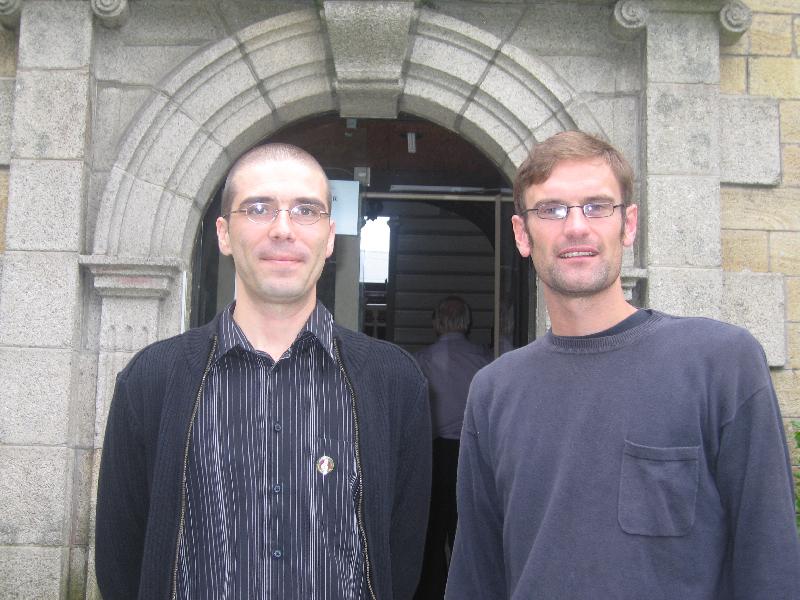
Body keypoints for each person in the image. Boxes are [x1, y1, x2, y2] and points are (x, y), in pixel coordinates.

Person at [445, 131, 800, 599]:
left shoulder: (721, 364)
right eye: (551, 209)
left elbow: (769, 562)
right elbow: (477, 577)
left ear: (628, 225)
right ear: (521, 234)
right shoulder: (494, 391)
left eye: (597, 206)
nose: (575, 227)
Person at [95, 143, 431, 599]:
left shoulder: (394, 382)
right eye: (258, 209)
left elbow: (403, 558)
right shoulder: (152, 378)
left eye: (305, 210)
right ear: (224, 234)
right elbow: (121, 558)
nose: (283, 229)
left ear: (330, 237)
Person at [413, 297, 492, 599]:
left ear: (436, 322)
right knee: (467, 530)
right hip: (472, 452)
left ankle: (433, 592)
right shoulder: (484, 358)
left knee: (432, 532)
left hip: (435, 455)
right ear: (467, 321)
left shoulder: (422, 360)